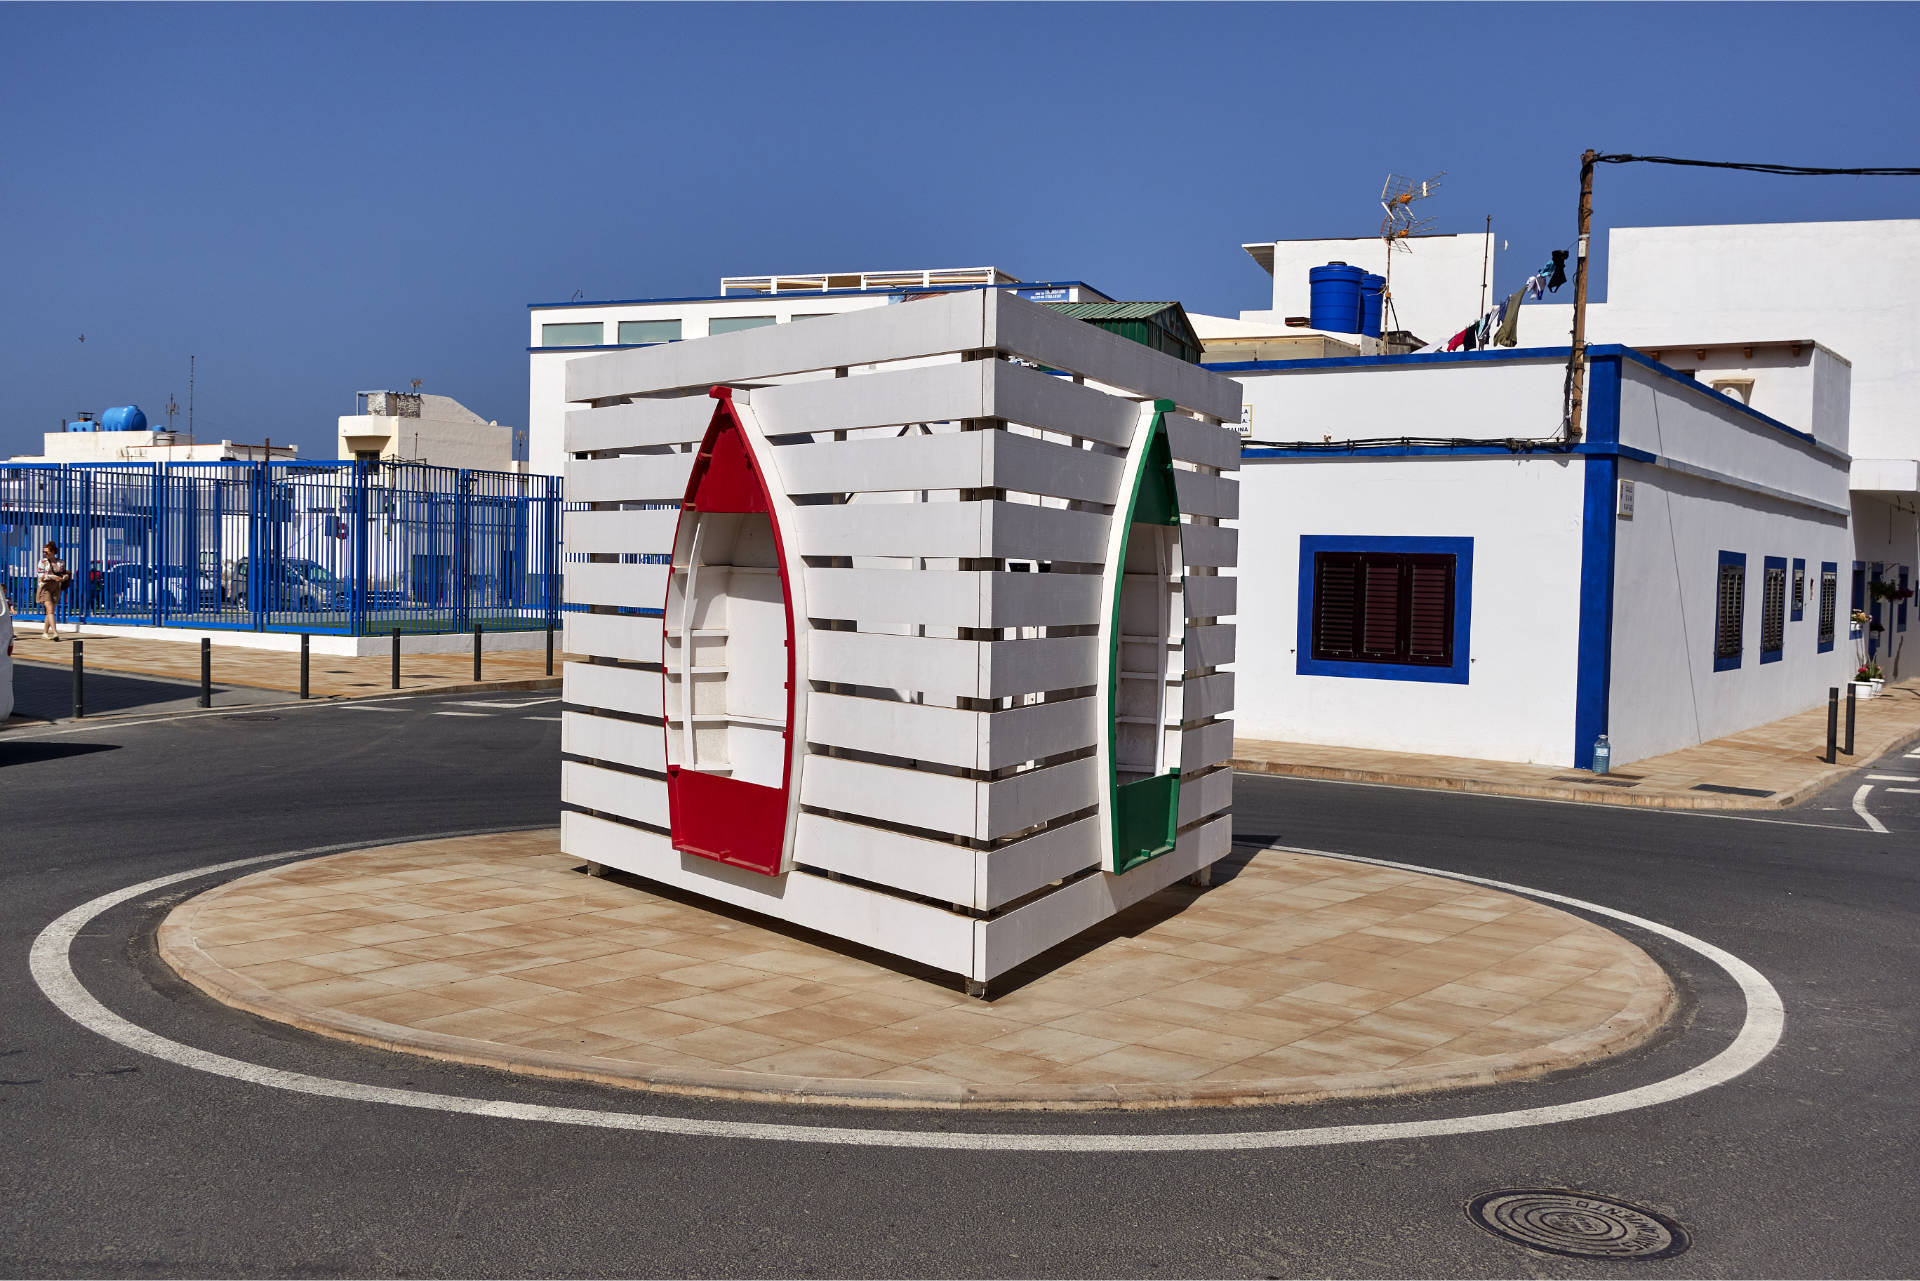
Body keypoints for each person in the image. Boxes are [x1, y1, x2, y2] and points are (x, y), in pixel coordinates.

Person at [35, 541, 71, 640]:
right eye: (43, 552)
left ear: (53, 552)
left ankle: (45, 633)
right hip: (45, 587)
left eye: (46, 552)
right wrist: (52, 577)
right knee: (50, 610)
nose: (44, 554)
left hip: (56, 587)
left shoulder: (61, 562)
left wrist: (65, 577)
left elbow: (64, 573)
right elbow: (40, 575)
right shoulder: (42, 562)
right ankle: (55, 632)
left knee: (51, 611)